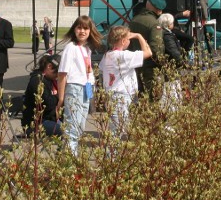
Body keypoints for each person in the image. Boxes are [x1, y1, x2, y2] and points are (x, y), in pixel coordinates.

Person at [57, 16, 102, 156]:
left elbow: (88, 73)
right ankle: (71, 158)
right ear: (74, 29)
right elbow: (62, 74)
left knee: (80, 126)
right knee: (73, 126)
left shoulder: (86, 49)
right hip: (74, 88)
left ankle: (70, 154)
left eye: (85, 28)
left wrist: (92, 93)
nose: (82, 31)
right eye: (79, 28)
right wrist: (61, 98)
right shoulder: (70, 48)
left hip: (85, 88)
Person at [98, 26, 150, 140]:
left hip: (111, 93)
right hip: (121, 95)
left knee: (117, 128)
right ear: (123, 41)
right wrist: (139, 36)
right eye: (128, 39)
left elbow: (101, 70)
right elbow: (148, 53)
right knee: (117, 130)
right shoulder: (124, 56)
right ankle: (112, 155)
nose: (129, 41)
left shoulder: (107, 55)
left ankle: (113, 153)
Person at [128, 0, 165, 97]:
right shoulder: (154, 24)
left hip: (136, 64)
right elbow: (156, 48)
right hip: (150, 68)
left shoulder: (134, 20)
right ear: (158, 10)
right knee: (154, 98)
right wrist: (161, 63)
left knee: (140, 97)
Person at [21, 54, 61, 137]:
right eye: (57, 73)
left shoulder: (49, 80)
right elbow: (48, 105)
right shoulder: (37, 81)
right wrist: (59, 96)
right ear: (49, 66)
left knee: (72, 126)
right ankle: (60, 150)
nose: (58, 77)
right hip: (34, 123)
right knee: (65, 130)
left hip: (48, 118)